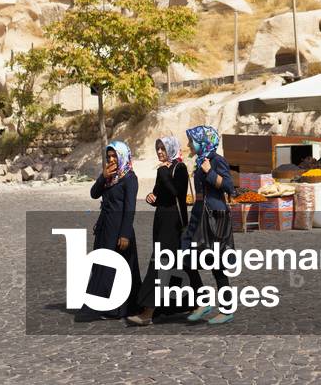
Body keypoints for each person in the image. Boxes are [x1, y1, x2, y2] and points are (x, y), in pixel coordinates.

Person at [127, 135, 192, 327]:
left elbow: (176, 194)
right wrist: (151, 197)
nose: (160, 152)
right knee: (174, 263)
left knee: (160, 263)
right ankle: (181, 306)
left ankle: (148, 311)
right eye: (158, 149)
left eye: (163, 149)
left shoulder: (179, 168)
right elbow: (160, 194)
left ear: (171, 149)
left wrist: (164, 173)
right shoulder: (162, 170)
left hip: (174, 223)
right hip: (161, 220)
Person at [74, 140, 141, 322]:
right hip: (105, 228)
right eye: (108, 156)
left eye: (114, 156)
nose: (111, 159)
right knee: (103, 267)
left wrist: (125, 234)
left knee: (121, 269)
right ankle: (104, 305)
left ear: (122, 156)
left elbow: (130, 208)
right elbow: (94, 193)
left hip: (120, 230)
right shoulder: (109, 177)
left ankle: (122, 308)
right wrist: (102, 177)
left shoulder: (129, 178)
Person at [182, 124, 236, 326]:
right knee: (185, 255)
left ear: (202, 141)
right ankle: (203, 301)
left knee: (217, 265)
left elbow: (230, 187)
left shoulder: (216, 160)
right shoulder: (200, 160)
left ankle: (226, 309)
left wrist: (210, 172)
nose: (188, 144)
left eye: (191, 140)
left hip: (215, 217)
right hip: (199, 214)